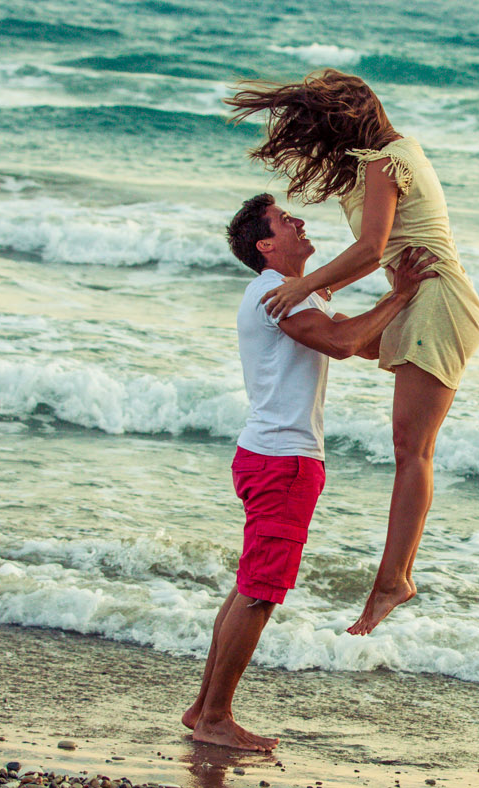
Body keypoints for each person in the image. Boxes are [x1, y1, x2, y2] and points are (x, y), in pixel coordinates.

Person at [226, 71, 479, 636]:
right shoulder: (384, 156)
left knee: (411, 448)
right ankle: (394, 577)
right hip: (420, 298)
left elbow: (371, 248)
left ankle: (395, 579)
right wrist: (313, 290)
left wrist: (302, 284)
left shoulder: (385, 160)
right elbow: (351, 309)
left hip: (435, 297)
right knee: (340, 335)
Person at [182, 192, 438, 751]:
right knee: (260, 592)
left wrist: (407, 311)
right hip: (282, 463)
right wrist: (398, 297)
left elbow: (358, 332)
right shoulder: (278, 296)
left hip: (271, 456)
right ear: (266, 245)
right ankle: (217, 717)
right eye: (284, 219)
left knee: (249, 584)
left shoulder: (299, 294)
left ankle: (205, 706)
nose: (299, 221)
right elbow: (344, 343)